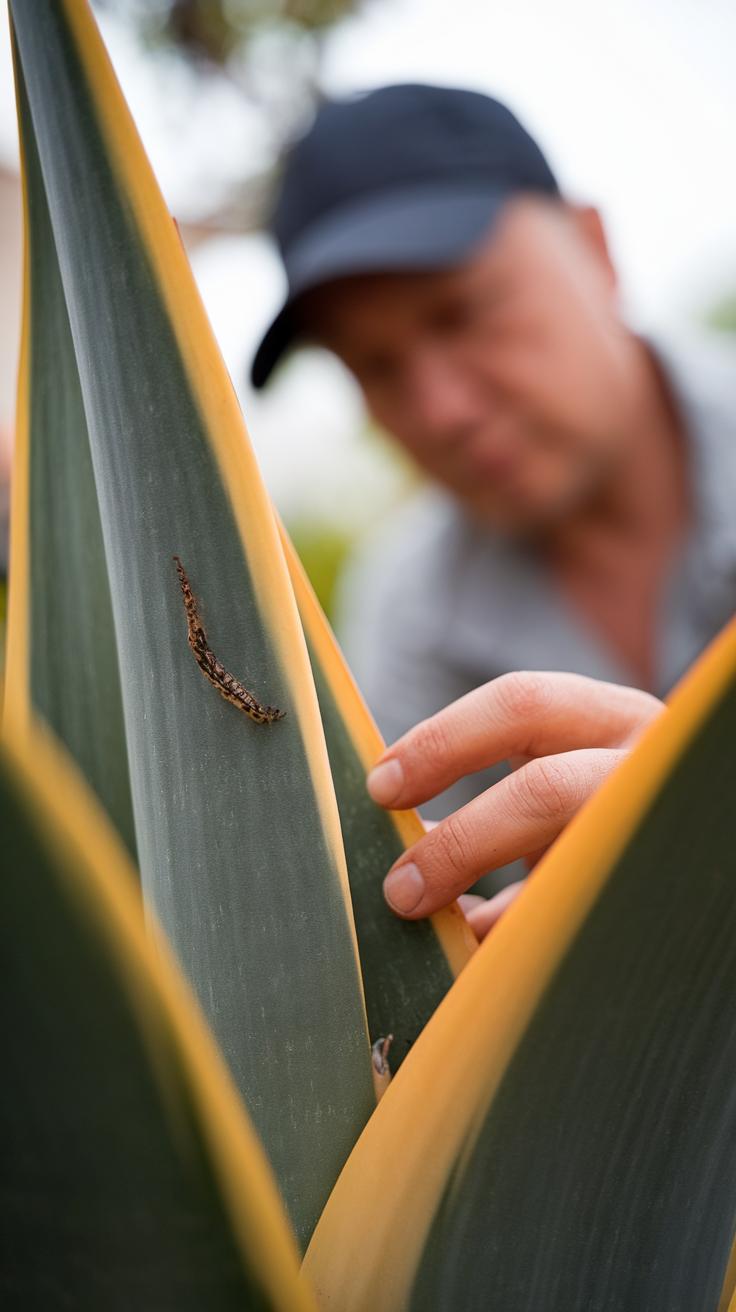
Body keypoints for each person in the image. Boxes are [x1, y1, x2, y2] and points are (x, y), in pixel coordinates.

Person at [251, 83, 736, 870]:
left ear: (594, 249)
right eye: (376, 367)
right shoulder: (408, 618)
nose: (440, 410)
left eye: (462, 313)